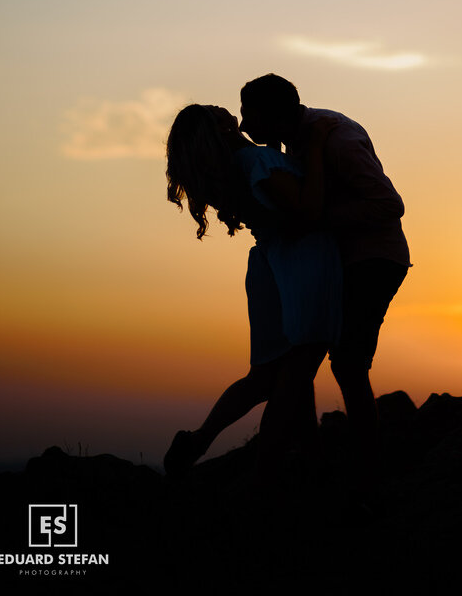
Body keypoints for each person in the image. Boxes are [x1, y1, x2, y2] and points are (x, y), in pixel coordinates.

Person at [239, 74, 410, 498]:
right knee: (319, 360)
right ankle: (330, 467)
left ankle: (368, 478)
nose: (244, 125)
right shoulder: (299, 139)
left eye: (249, 114)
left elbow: (389, 204)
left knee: (346, 365)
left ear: (273, 113)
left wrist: (315, 219)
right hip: (346, 262)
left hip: (373, 259)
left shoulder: (335, 138)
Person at [163, 103, 341, 481]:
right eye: (217, 111)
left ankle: (202, 440)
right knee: (294, 373)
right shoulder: (257, 161)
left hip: (266, 266)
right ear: (220, 129)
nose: (223, 106)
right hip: (297, 265)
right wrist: (314, 147)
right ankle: (268, 475)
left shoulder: (235, 170)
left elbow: (270, 195)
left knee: (266, 376)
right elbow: (304, 210)